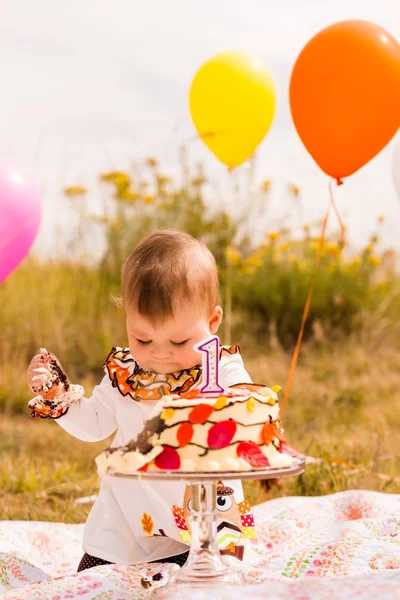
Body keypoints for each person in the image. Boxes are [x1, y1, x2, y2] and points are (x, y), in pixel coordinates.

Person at [27, 230, 257, 571]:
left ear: (212, 322)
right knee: (92, 582)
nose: (161, 354)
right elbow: (94, 425)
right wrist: (56, 394)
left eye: (179, 341)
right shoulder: (126, 373)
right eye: (143, 338)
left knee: (216, 580)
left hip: (201, 520)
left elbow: (247, 403)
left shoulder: (219, 367)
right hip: (128, 523)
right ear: (128, 321)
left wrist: (236, 402)